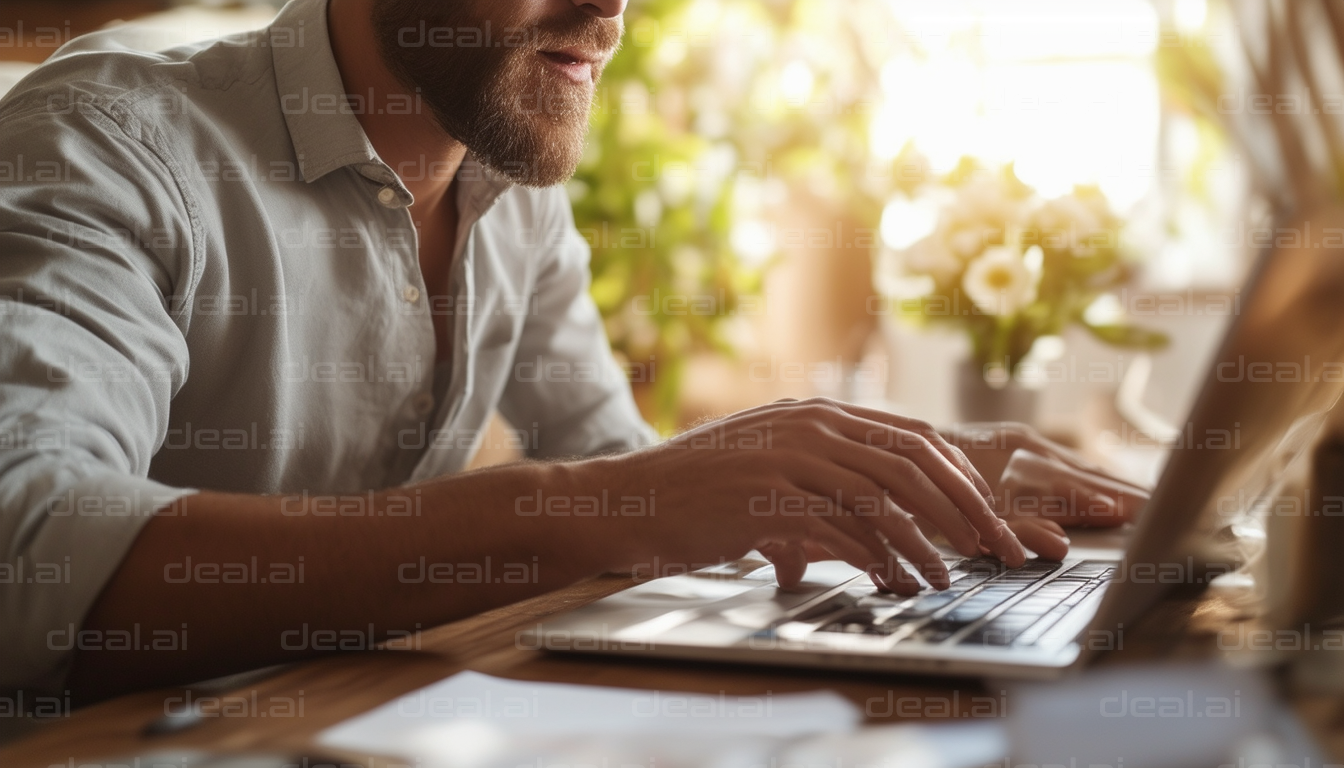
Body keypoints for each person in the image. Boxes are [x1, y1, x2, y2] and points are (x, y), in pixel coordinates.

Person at [0, 0, 1147, 703]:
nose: (609, 10)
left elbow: (618, 466)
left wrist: (876, 468)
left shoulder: (505, 175)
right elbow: (32, 556)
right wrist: (598, 503)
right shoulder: (106, 141)